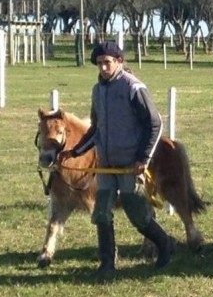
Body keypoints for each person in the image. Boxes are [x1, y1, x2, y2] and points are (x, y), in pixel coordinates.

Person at [56, 41, 172, 277]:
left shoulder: (133, 87)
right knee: (101, 214)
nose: (103, 68)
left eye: (107, 63)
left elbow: (155, 123)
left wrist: (143, 158)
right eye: (99, 64)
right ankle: (107, 263)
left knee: (137, 214)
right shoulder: (97, 91)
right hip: (106, 167)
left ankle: (166, 244)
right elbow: (96, 129)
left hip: (130, 166)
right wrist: (75, 152)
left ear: (119, 62)